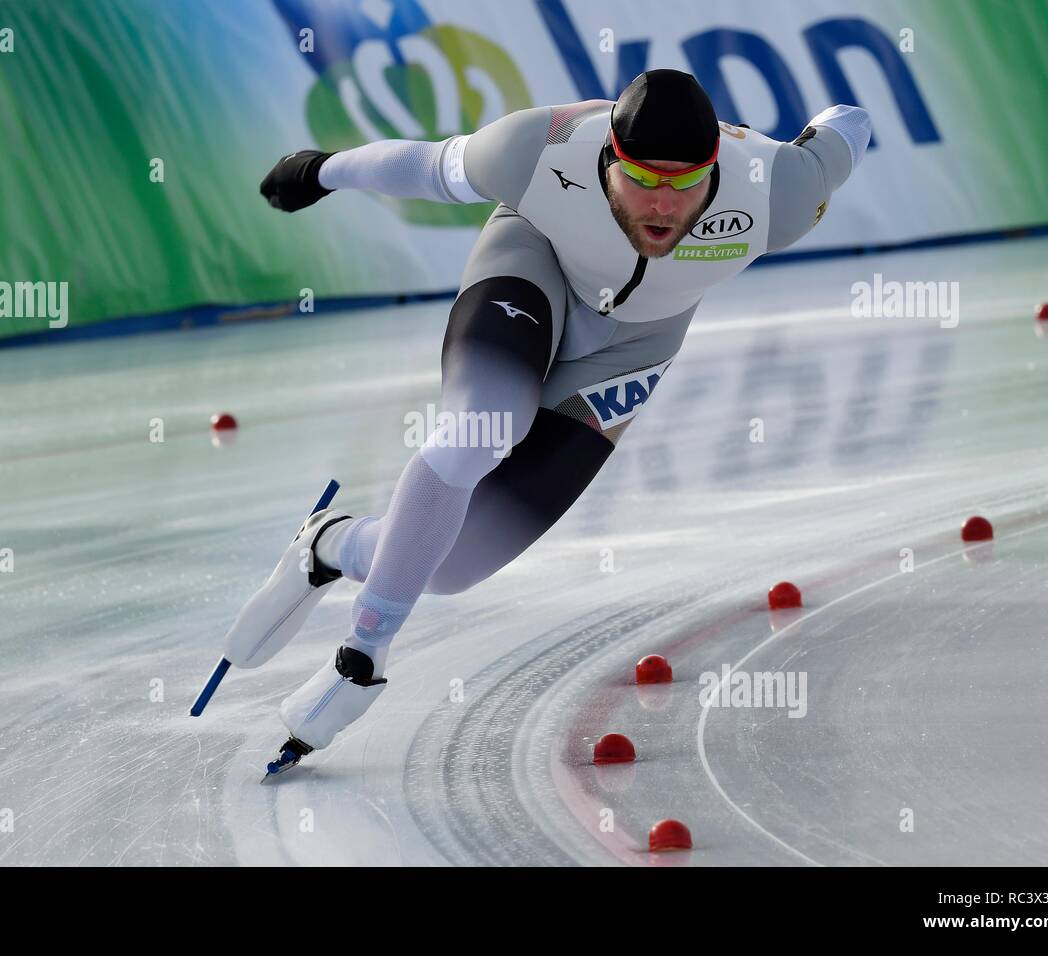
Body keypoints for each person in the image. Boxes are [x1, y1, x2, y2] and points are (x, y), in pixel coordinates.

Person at [233, 69, 871, 773]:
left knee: (452, 567)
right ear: (607, 159)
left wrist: (832, 120)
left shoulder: (777, 194)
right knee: (484, 425)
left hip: (631, 349)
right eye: (641, 180)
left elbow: (848, 124)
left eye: (685, 183)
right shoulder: (537, 149)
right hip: (530, 266)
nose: (663, 205)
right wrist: (322, 171)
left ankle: (333, 545)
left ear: (716, 168)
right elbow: (423, 164)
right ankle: (360, 659)